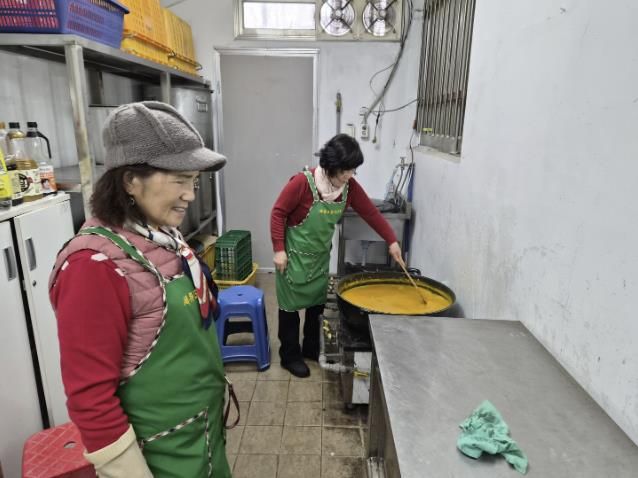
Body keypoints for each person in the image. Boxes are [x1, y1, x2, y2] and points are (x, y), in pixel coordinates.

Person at [48, 102, 232, 478]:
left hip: (200, 435)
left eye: (194, 181)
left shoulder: (164, 237)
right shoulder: (93, 267)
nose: (190, 195)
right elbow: (90, 400)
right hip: (156, 455)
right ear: (131, 180)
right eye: (180, 180)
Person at [271, 134, 405, 378]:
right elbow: (278, 213)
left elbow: (371, 214)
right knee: (290, 309)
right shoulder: (302, 183)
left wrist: (392, 240)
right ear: (331, 166)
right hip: (293, 257)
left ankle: (311, 347)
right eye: (346, 171)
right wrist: (279, 249)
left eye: (353, 170)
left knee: (316, 305)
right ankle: (289, 356)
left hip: (319, 258)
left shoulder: (349, 188)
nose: (350, 176)